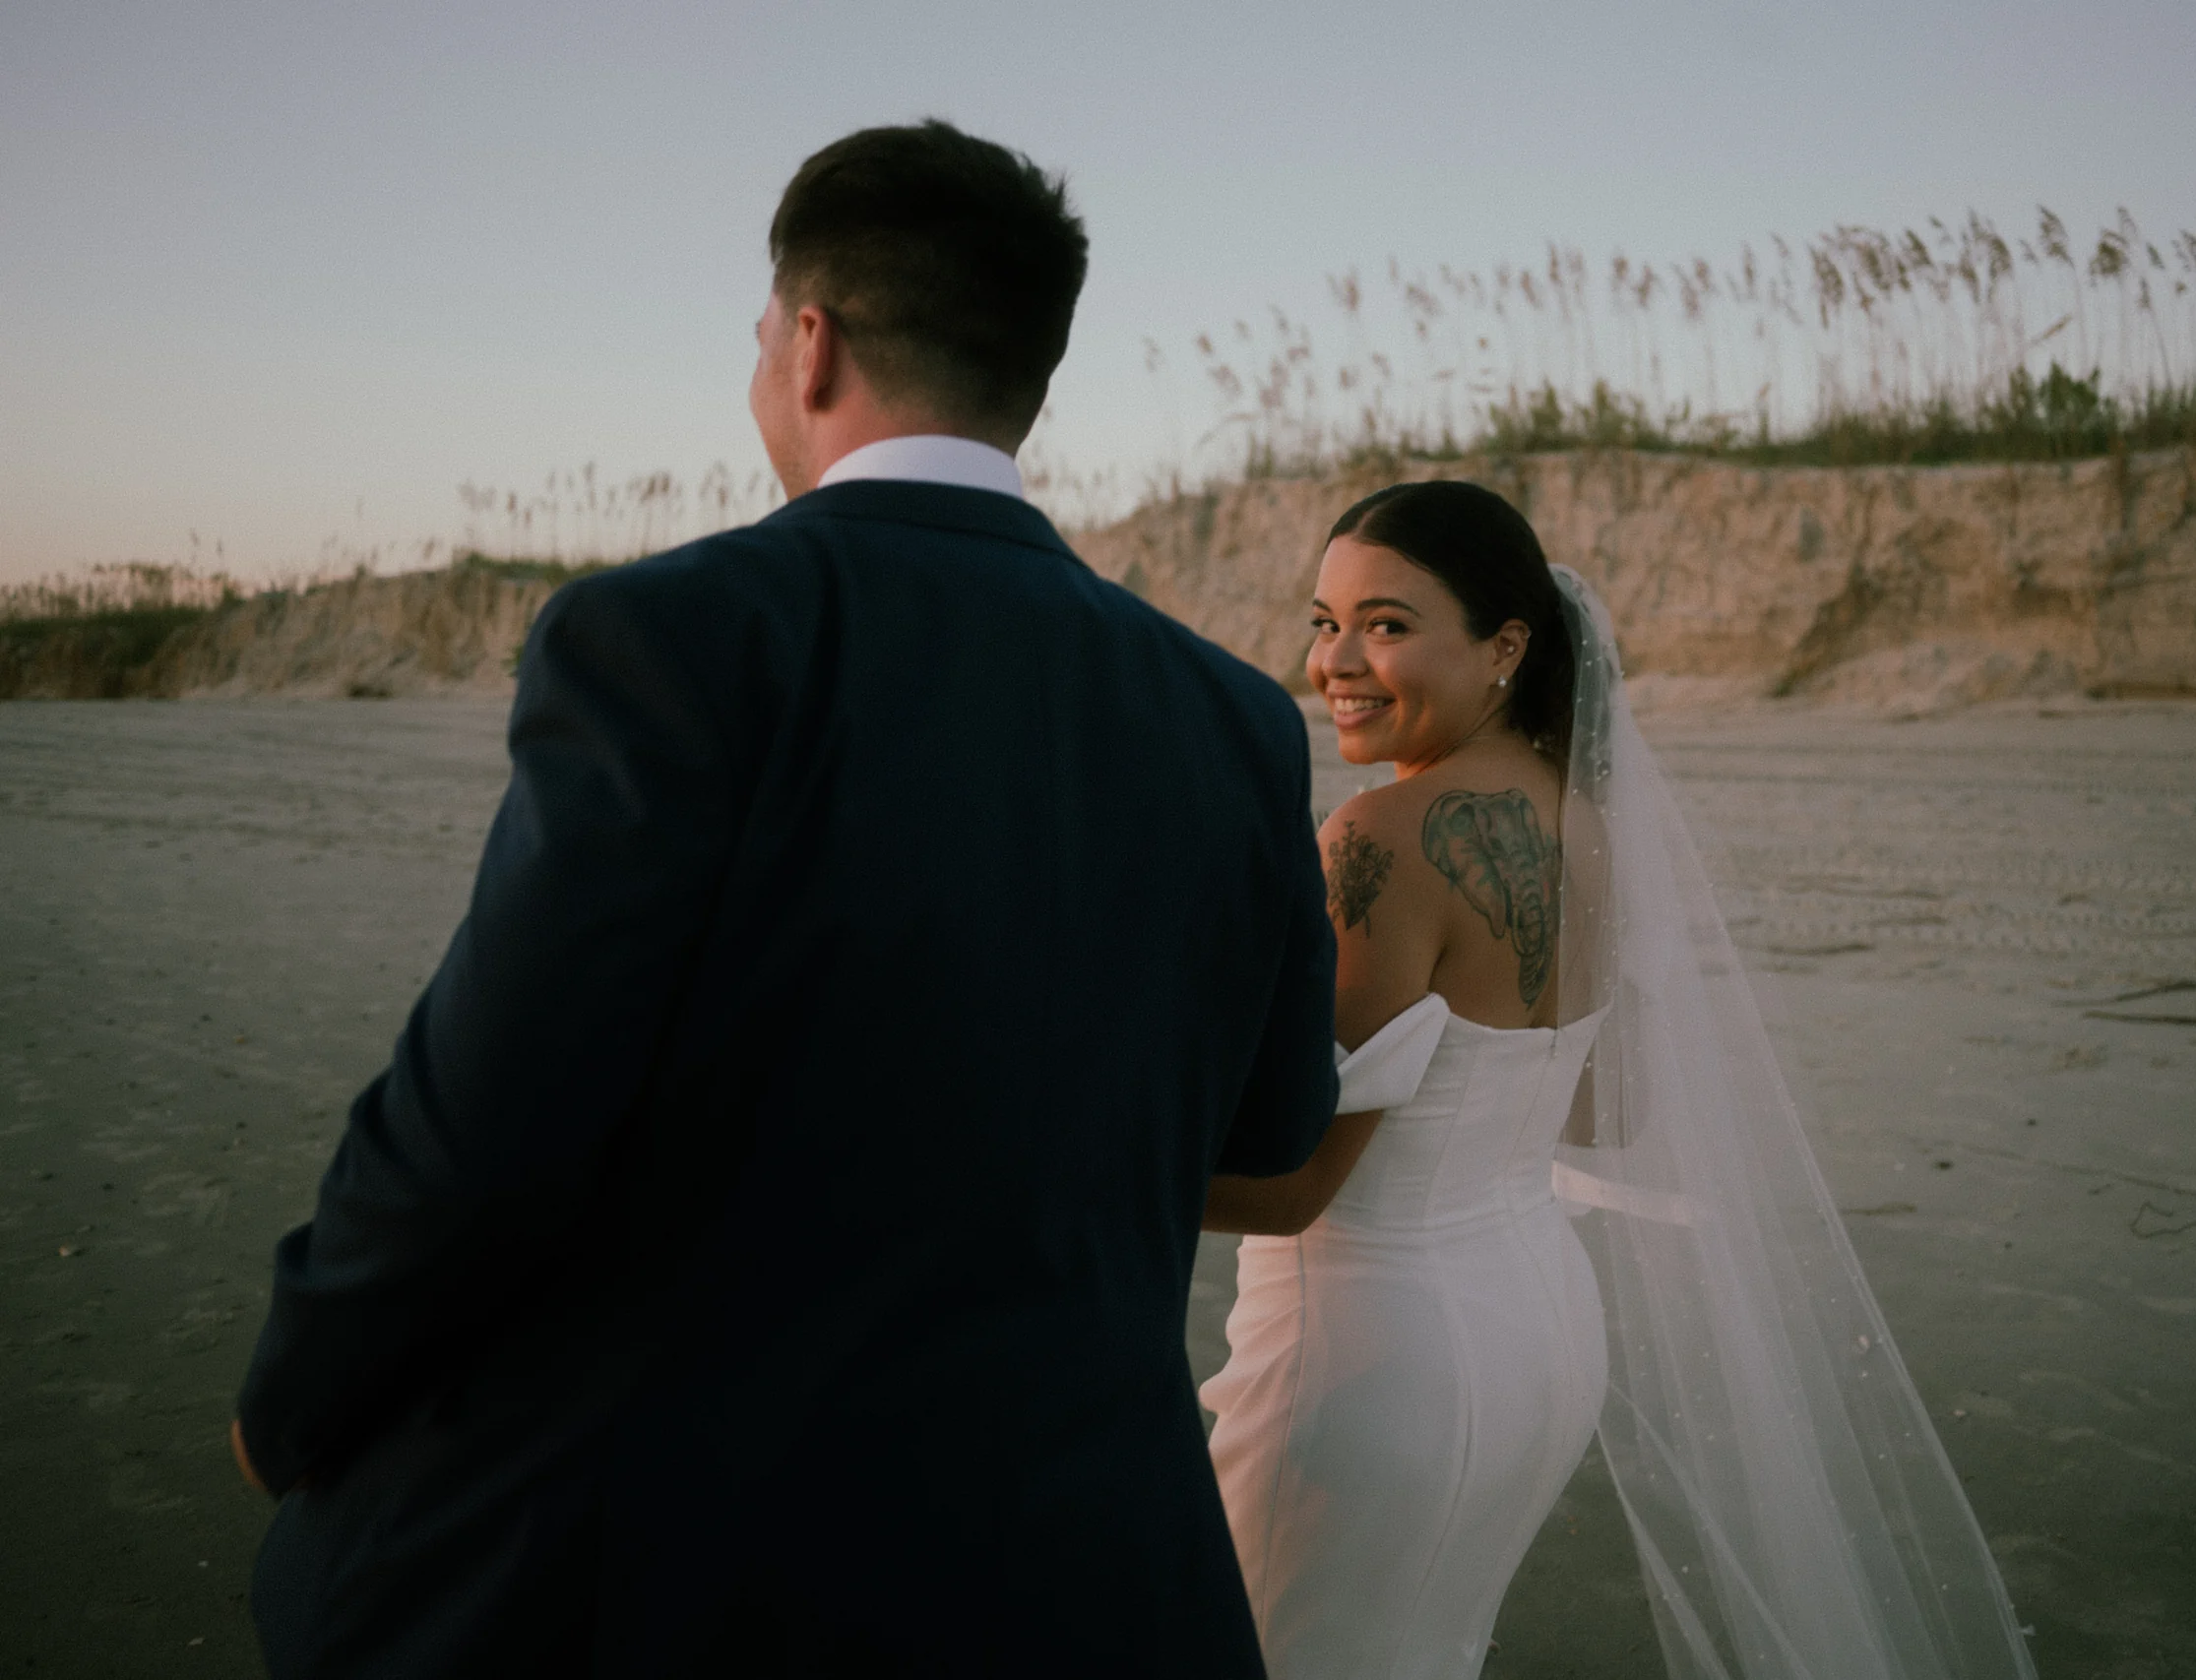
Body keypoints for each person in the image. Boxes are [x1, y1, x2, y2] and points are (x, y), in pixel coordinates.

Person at [228, 121, 1338, 1679]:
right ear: (1028, 373)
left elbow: (484, 1116)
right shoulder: (1235, 716)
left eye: (761, 330)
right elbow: (1273, 1134)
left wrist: (293, 1393)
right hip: (1085, 1574)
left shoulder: (677, 637)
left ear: (810, 344)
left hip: (701, 1573)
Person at [1200, 480, 2039, 1680]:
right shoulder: (1587, 819)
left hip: (1370, 1360)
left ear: (1504, 647)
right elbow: (1612, 1104)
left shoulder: (1379, 840)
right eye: (1322, 622)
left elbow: (1289, 1190)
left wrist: (1049, 1167)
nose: (1336, 660)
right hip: (1535, 1331)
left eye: (1385, 625)